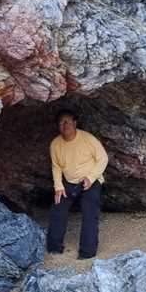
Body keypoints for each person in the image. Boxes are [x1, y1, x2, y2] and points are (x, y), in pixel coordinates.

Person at [47, 109, 108, 260]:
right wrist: (58, 187)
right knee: (58, 209)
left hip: (90, 181)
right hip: (68, 182)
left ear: (75, 123)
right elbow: (56, 167)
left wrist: (91, 177)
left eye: (68, 121)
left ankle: (87, 253)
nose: (65, 125)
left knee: (89, 213)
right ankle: (54, 248)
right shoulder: (55, 144)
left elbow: (103, 158)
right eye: (61, 122)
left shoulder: (87, 139)